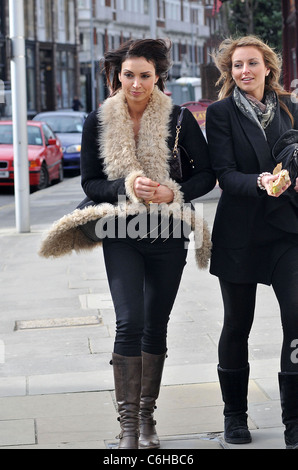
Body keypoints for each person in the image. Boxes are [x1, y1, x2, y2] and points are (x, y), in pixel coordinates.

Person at [39, 38, 215, 449]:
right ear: (118, 76)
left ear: (159, 77)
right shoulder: (97, 119)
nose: (136, 84)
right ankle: (129, 428)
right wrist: (126, 185)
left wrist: (174, 193)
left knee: (156, 324)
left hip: (168, 232)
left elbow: (206, 175)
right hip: (121, 232)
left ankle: (148, 419)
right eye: (129, 75)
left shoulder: (179, 120)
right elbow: (90, 183)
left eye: (146, 76)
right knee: (129, 321)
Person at [206, 35, 298, 449]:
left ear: (267, 67)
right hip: (240, 231)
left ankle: (294, 420)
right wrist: (261, 181)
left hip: (286, 231)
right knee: (237, 324)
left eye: (252, 64)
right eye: (237, 66)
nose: (245, 71)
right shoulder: (221, 113)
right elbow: (223, 174)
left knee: (296, 319)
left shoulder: (290, 109)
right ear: (230, 72)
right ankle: (234, 416)